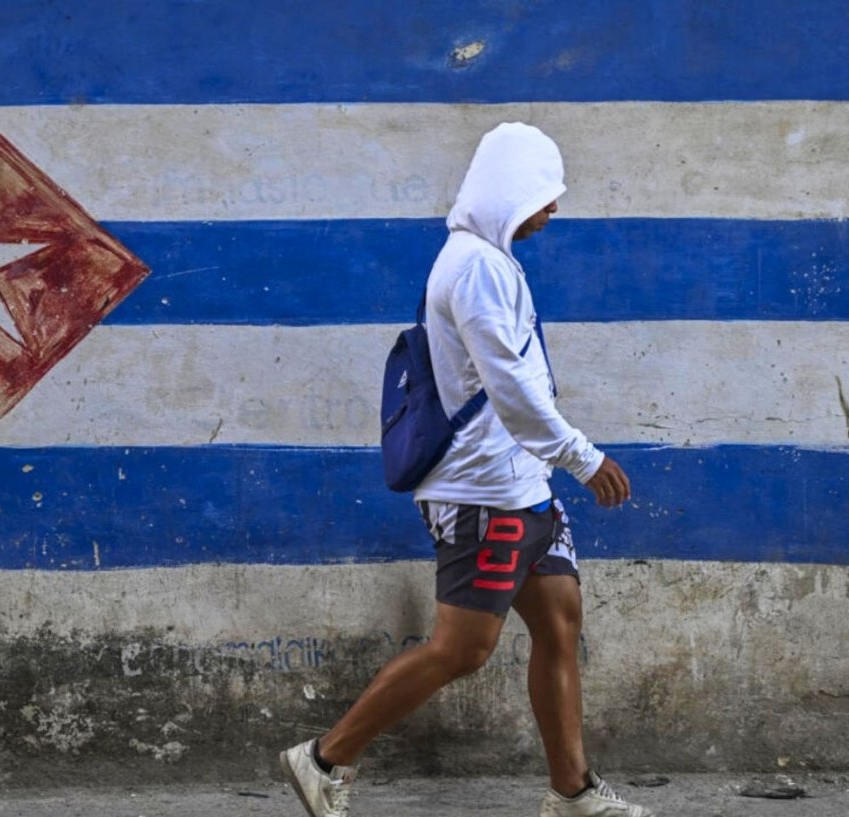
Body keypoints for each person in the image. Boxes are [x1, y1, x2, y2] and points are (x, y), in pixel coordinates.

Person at [279, 122, 654, 817]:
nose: (553, 208)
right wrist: (582, 456)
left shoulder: (493, 261)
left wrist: (548, 467)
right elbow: (508, 384)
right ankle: (324, 757)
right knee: (462, 649)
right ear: (507, 192)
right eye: (542, 194)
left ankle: (572, 792)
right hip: (483, 494)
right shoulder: (474, 266)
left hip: (523, 487)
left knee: (560, 622)